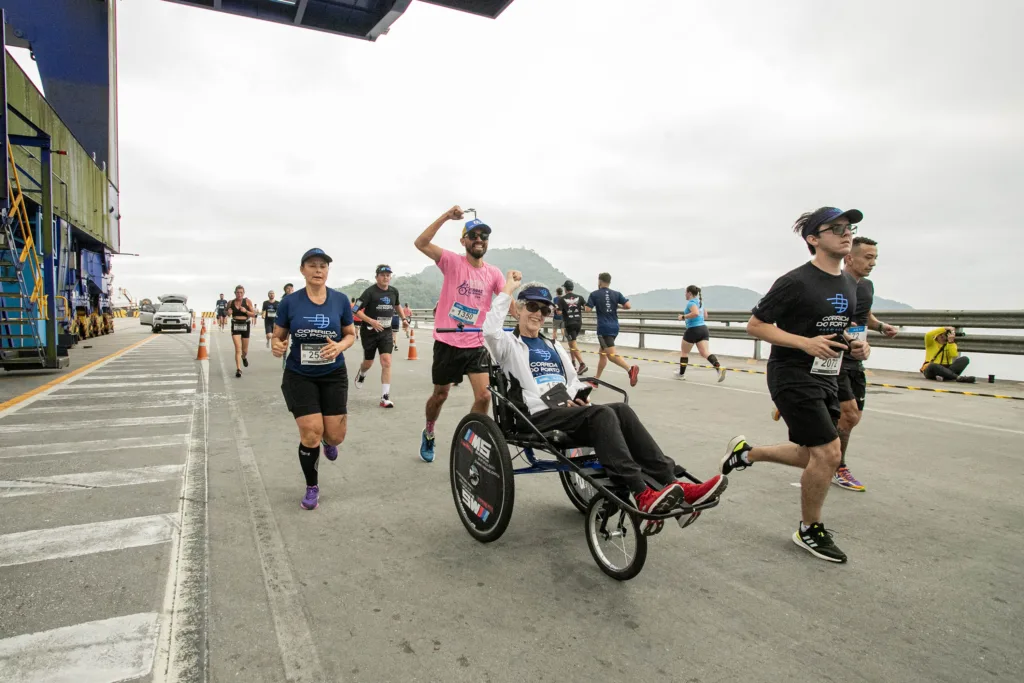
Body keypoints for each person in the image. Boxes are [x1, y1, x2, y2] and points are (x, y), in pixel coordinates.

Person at [483, 271, 728, 532]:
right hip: (536, 415)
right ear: (518, 309)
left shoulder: (553, 346)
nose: (538, 314)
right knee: (602, 416)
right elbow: (489, 330)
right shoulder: (508, 344)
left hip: (567, 410)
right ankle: (641, 493)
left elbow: (573, 381)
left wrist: (579, 397)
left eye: (544, 310)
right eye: (532, 307)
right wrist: (507, 289)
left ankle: (672, 484)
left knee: (620, 410)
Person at [722, 207, 870, 564]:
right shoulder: (795, 281)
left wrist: (860, 344)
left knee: (814, 455)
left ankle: (747, 453)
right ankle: (810, 529)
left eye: (848, 227)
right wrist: (804, 343)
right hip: (791, 372)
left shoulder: (851, 284)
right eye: (835, 228)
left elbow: (844, 327)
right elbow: (756, 326)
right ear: (813, 239)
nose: (845, 232)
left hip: (828, 375)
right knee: (829, 454)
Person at [413, 205, 506, 463]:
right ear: (463, 240)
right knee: (440, 395)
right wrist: (446, 216)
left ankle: (472, 441)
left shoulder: (494, 273)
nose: (479, 240)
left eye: (484, 236)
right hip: (447, 342)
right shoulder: (453, 262)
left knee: (485, 395)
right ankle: (429, 430)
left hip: (475, 344)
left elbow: (507, 300)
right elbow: (420, 243)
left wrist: (526, 313)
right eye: (473, 235)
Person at [271, 248, 356, 510]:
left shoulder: (340, 300)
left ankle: (330, 442)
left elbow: (350, 334)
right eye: (312, 266)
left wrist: (340, 347)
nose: (318, 270)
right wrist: (276, 345)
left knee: (335, 436)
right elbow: (278, 336)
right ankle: (312, 486)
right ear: (302, 270)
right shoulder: (290, 302)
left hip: (333, 374)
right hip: (299, 374)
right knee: (311, 433)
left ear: (328, 271)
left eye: (323, 266)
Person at [833, 237, 899, 492]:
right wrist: (847, 339)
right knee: (848, 415)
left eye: (875, 258)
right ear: (850, 257)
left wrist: (881, 326)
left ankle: (806, 406)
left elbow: (864, 315)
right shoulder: (835, 285)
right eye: (868, 258)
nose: (873, 263)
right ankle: (838, 467)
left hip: (855, 359)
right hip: (835, 356)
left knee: (853, 416)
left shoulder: (867, 286)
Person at [353, 264, 409, 408]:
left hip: (386, 332)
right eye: (383, 275)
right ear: (377, 277)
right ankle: (362, 373)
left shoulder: (393, 291)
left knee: (386, 361)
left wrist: (403, 319)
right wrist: (371, 321)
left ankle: (385, 397)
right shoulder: (369, 292)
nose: (385, 277)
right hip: (370, 332)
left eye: (388, 275)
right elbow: (355, 309)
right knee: (368, 363)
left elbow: (397, 306)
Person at [585, 273, 639, 386]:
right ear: (609, 282)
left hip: (604, 329)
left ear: (599, 281)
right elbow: (628, 306)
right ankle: (596, 380)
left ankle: (630, 369)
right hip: (614, 327)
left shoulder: (595, 294)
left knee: (611, 355)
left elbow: (588, 309)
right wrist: (617, 305)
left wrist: (585, 306)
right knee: (602, 353)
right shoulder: (616, 294)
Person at [676, 285, 726, 382]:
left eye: (685, 293)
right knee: (705, 353)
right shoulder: (700, 302)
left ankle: (681, 374)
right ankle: (719, 368)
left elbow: (695, 313)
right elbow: (705, 315)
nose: (685, 295)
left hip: (693, 330)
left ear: (689, 293)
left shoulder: (691, 303)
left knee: (684, 352)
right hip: (703, 329)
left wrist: (683, 317)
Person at [557, 280, 588, 375]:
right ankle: (573, 363)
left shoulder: (562, 299)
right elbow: (587, 309)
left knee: (573, 343)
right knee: (571, 343)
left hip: (569, 324)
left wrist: (560, 310)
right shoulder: (580, 297)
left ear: (565, 289)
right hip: (579, 323)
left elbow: (559, 312)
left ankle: (582, 364)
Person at [228, 285, 257, 378]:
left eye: (241, 292)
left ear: (243, 293)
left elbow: (253, 314)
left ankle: (244, 357)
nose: (239, 294)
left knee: (244, 351)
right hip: (235, 325)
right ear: (235, 293)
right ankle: (239, 369)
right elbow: (226, 312)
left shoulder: (247, 301)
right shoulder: (231, 302)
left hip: (245, 325)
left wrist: (246, 311)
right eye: (237, 292)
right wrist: (228, 312)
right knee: (238, 349)